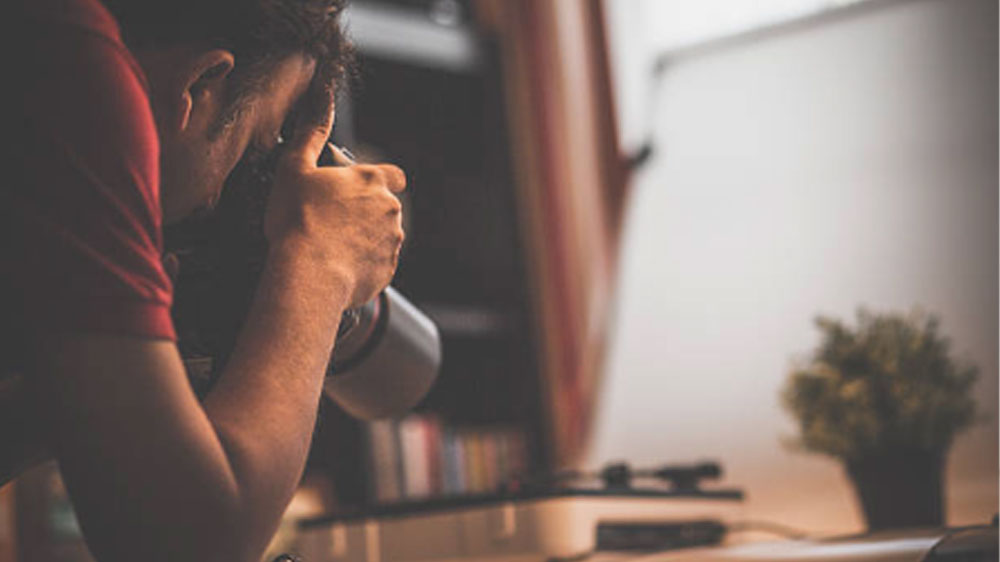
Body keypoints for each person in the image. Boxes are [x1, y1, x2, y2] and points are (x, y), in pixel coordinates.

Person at [4, 0, 405, 560]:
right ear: (202, 82)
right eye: (257, 144)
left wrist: (105, 392)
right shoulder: (75, 73)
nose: (219, 198)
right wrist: (320, 259)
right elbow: (184, 544)